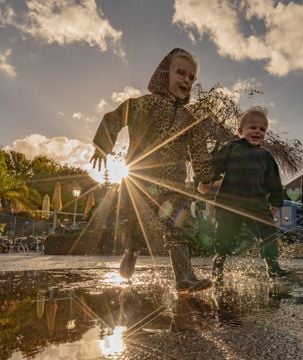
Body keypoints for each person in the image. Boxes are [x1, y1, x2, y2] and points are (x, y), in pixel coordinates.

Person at [90, 48, 216, 293]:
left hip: (173, 186)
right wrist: (102, 147)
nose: (186, 81)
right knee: (137, 226)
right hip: (141, 180)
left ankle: (184, 278)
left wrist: (205, 178)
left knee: (180, 224)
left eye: (191, 78)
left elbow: (199, 151)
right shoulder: (145, 104)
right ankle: (131, 251)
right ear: (163, 75)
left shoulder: (190, 120)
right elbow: (114, 118)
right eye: (181, 73)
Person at [203, 106, 290, 283]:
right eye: (252, 127)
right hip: (229, 202)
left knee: (268, 233)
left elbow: (273, 181)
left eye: (262, 129)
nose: (257, 131)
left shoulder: (266, 156)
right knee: (224, 235)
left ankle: (272, 265)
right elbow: (215, 164)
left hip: (257, 203)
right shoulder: (232, 148)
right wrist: (207, 179)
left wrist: (275, 202)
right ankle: (218, 263)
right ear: (240, 131)